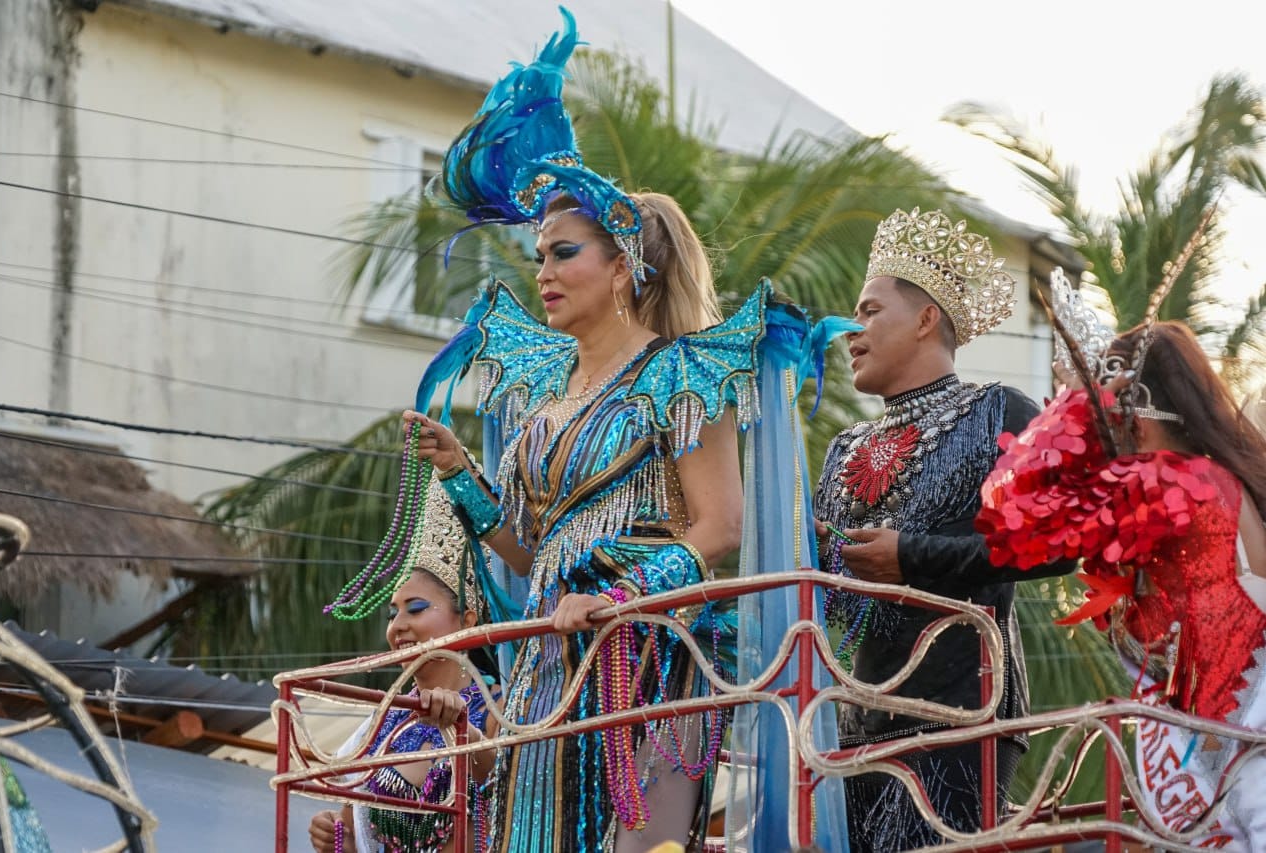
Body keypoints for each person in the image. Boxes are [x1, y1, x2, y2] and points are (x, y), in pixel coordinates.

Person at [403, 11, 855, 851]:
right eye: (539, 254)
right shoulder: (545, 397)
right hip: (547, 656)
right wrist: (464, 474)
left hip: (643, 658)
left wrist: (614, 601)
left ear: (622, 267)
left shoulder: (684, 377)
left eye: (564, 252)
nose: (542, 272)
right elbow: (534, 551)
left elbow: (716, 529)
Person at [812, 208, 1074, 851]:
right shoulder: (845, 447)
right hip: (853, 717)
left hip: (963, 712)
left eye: (870, 311)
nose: (852, 330)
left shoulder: (997, 412)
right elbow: (829, 590)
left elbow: (1060, 544)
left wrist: (912, 556)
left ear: (927, 318)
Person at [976, 278, 1266, 847]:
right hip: (1218, 756)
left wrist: (1075, 408)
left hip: (1237, 760)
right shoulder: (1211, 479)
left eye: (1104, 401)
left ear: (1129, 406)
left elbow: (1009, 516)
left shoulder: (1173, 484)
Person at [308, 471, 501, 853]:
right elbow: (353, 835)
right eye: (392, 615)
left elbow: (507, 786)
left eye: (415, 609)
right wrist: (335, 839)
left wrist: (462, 730)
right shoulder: (381, 724)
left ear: (467, 620)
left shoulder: (501, 707)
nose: (398, 627)